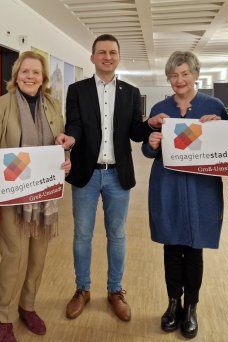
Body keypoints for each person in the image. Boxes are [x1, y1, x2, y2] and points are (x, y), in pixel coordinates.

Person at [63, 34, 161, 322]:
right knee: (82, 235)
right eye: (101, 52)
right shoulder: (77, 90)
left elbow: (134, 131)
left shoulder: (130, 92)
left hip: (119, 176)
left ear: (118, 57)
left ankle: (115, 290)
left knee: (116, 236)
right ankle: (82, 289)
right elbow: (75, 124)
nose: (107, 56)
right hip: (86, 174)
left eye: (113, 52)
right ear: (92, 57)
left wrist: (149, 125)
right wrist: (70, 138)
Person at [0, 51, 73, 342]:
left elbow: (58, 145)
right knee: (14, 256)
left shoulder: (52, 104)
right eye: (25, 71)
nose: (30, 77)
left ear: (44, 78)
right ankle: (3, 316)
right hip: (12, 195)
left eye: (36, 72)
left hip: (44, 195)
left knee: (38, 257)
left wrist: (66, 157)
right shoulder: (1, 106)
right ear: (16, 74)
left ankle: (27, 306)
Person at [142, 51, 228, 339]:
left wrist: (219, 128)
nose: (179, 80)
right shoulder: (160, 108)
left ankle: (191, 307)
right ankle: (172, 304)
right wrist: (152, 140)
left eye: (184, 74)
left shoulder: (213, 105)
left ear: (195, 75)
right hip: (167, 183)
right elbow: (146, 150)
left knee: (194, 247)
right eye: (174, 75)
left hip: (201, 186)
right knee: (171, 246)